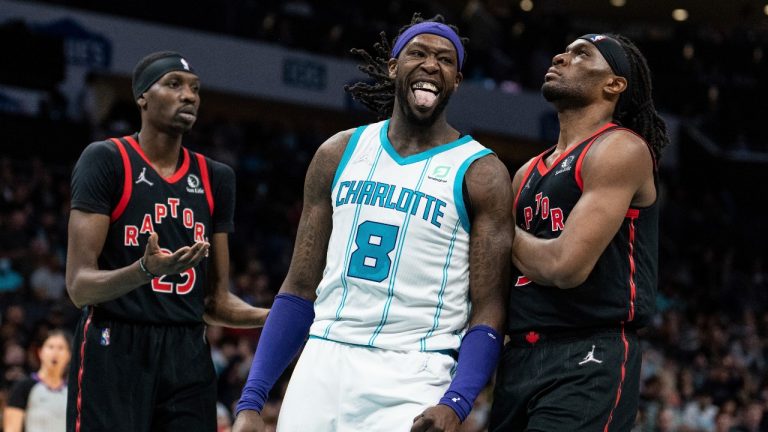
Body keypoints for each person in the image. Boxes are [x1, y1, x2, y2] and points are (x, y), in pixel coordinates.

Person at [233, 13, 512, 432]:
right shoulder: (338, 152)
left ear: (456, 80)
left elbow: (489, 308)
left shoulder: (481, 172)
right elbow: (298, 287)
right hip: (323, 360)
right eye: (417, 53)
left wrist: (457, 402)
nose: (432, 64)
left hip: (415, 368)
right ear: (393, 66)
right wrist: (251, 400)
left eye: (446, 59)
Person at [65, 51, 268, 432]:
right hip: (115, 341)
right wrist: (144, 270)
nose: (188, 95)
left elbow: (215, 302)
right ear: (142, 95)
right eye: (174, 84)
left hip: (187, 351)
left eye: (195, 88)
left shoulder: (216, 177)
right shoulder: (106, 159)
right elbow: (79, 288)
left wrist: (275, 319)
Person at [489, 33, 670, 431]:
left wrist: (494, 218)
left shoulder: (620, 149)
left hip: (588, 354)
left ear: (614, 84)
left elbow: (565, 266)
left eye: (581, 54)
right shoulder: (526, 173)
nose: (560, 55)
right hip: (519, 356)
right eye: (564, 50)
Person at [4, 330, 72, 432]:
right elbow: (11, 429)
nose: (55, 353)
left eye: (61, 348)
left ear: (69, 355)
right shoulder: (24, 386)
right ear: (40, 352)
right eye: (50, 347)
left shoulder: (73, 391)